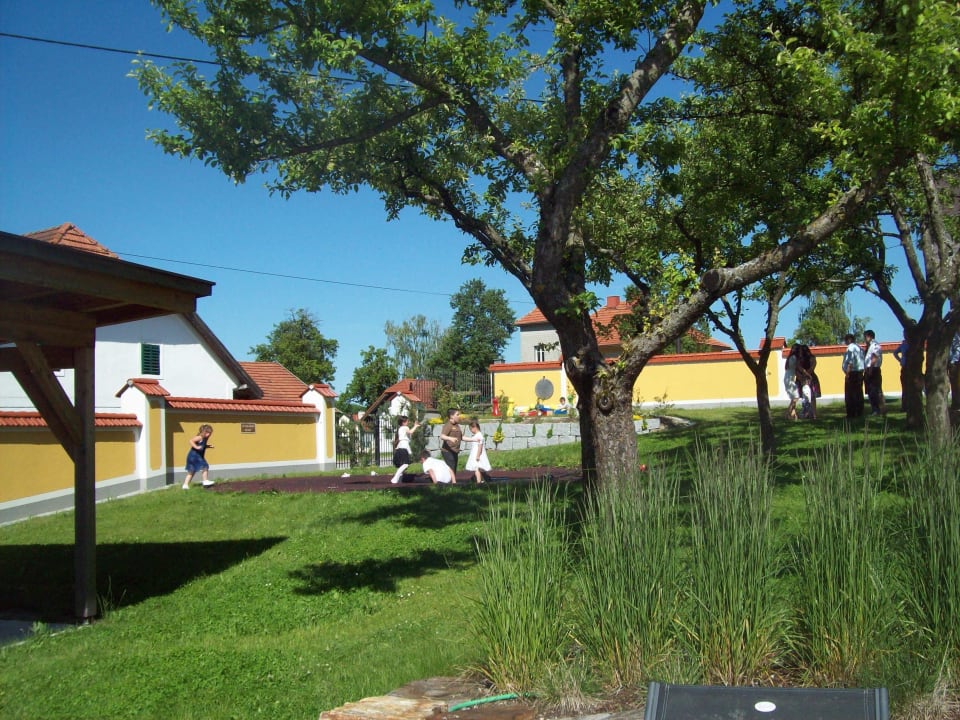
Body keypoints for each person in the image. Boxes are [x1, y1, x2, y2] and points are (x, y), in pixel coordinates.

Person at [390, 415, 420, 484]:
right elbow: (410, 432)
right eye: (407, 421)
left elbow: (407, 437)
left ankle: (399, 481)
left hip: (401, 447)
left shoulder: (400, 428)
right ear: (403, 422)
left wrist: (409, 451)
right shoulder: (405, 427)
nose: (408, 422)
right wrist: (415, 426)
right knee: (405, 464)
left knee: (402, 466)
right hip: (403, 447)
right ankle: (395, 479)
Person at [182, 424, 214, 489]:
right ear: (203, 432)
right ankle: (205, 481)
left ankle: (185, 485)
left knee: (192, 471)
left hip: (193, 456)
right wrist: (196, 447)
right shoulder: (199, 437)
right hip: (195, 456)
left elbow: (201, 446)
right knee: (205, 466)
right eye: (207, 433)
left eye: (210, 433)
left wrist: (207, 446)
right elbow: (191, 441)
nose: (209, 434)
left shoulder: (204, 438)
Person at [841, 333, 865, 419]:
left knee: (850, 394)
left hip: (852, 373)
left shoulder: (850, 348)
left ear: (849, 340)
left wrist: (847, 374)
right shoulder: (859, 348)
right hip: (859, 372)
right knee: (858, 393)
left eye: (845, 340)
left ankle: (851, 413)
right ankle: (859, 412)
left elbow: (850, 362)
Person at [863, 329, 885, 416]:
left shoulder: (875, 345)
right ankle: (874, 409)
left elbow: (874, 357)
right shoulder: (868, 346)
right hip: (868, 369)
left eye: (865, 337)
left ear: (869, 336)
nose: (864, 339)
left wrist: (871, 369)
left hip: (874, 369)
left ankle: (879, 409)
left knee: (875, 390)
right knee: (870, 391)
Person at [463, 419, 492, 484]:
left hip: (477, 454)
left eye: (471, 429)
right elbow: (468, 439)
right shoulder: (477, 435)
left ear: (475, 427)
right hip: (475, 453)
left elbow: (480, 446)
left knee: (476, 468)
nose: (471, 431)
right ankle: (480, 480)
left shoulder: (479, 435)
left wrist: (478, 455)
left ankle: (479, 482)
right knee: (477, 468)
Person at [795, 344, 820, 419]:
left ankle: (807, 414)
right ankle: (813, 414)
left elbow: (798, 368)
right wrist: (808, 374)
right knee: (812, 397)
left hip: (803, 378)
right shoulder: (812, 357)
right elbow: (813, 367)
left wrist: (804, 375)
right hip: (811, 377)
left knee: (805, 396)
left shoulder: (799, 359)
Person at [438, 408, 462, 479]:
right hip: (447, 451)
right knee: (451, 468)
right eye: (457, 415)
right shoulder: (448, 425)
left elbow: (461, 437)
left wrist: (473, 439)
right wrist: (450, 438)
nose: (459, 416)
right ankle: (451, 484)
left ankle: (451, 484)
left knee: (453, 468)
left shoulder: (457, 425)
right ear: (452, 416)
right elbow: (442, 436)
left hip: (454, 451)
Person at [784, 344, 802, 420]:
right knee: (796, 397)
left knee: (794, 398)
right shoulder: (794, 358)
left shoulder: (789, 358)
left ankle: (794, 416)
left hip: (788, 378)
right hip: (790, 380)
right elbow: (798, 368)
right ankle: (787, 413)